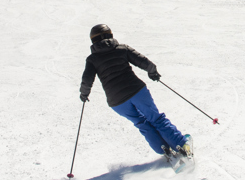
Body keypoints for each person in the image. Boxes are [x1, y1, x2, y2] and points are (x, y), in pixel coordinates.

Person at [80, 24, 191, 159]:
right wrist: (152, 72)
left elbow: (87, 79)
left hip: (117, 102)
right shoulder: (121, 49)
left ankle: (163, 149)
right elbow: (142, 60)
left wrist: (84, 94)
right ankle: (181, 144)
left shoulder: (92, 60)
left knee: (141, 123)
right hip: (137, 91)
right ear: (110, 35)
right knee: (156, 118)